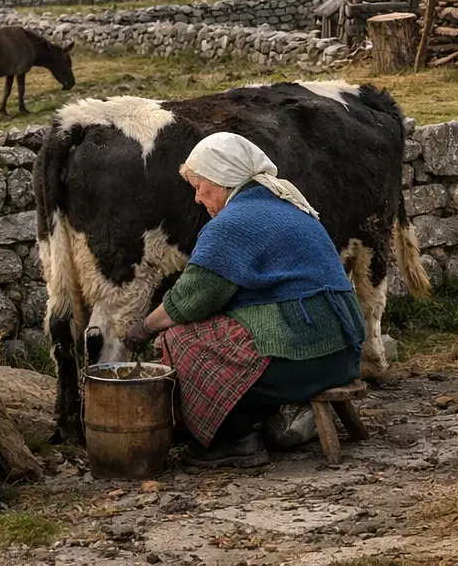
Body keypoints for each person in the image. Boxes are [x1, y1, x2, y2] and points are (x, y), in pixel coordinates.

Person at [124, 131, 365, 468]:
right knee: (236, 328)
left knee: (181, 339)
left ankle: (233, 438)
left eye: (198, 187)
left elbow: (189, 301)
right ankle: (260, 421)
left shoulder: (233, 223)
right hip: (343, 352)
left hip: (306, 359)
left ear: (221, 180)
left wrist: (145, 328)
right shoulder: (286, 205)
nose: (196, 198)